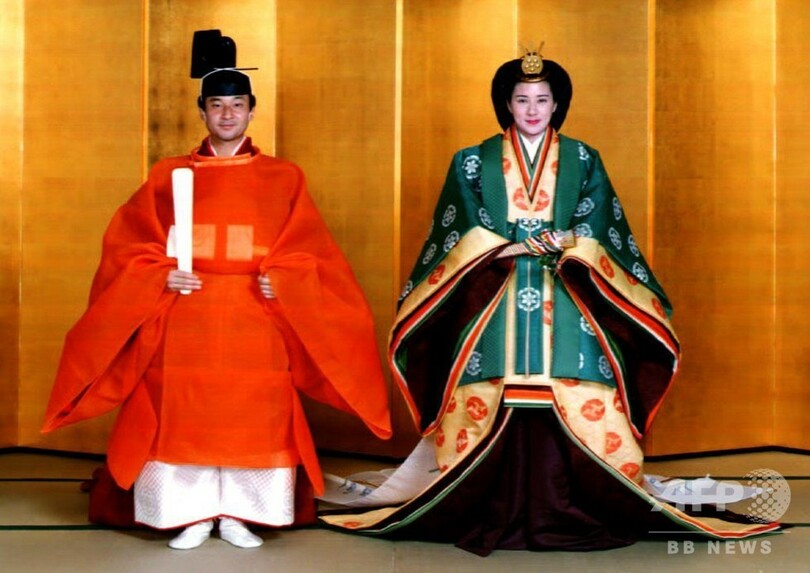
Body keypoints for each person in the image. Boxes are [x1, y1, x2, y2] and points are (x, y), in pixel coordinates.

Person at [319, 49, 779, 554]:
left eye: (543, 100)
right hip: (495, 298)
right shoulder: (471, 160)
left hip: (565, 291)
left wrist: (569, 241)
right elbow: (457, 230)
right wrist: (514, 247)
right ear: (506, 104)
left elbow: (601, 222)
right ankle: (482, 497)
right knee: (486, 388)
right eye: (522, 100)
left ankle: (581, 495)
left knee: (582, 388)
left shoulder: (583, 158)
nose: (533, 109)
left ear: (557, 104)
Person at [42, 39, 391, 550]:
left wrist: (285, 280)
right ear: (201, 111)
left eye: (237, 104)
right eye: (217, 104)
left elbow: (311, 252)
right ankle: (189, 514)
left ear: (252, 110)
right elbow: (128, 247)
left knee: (254, 417)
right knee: (183, 415)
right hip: (187, 311)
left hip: (256, 314)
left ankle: (242, 515)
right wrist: (160, 275)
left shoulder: (284, 177)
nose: (227, 114)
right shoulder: (168, 175)